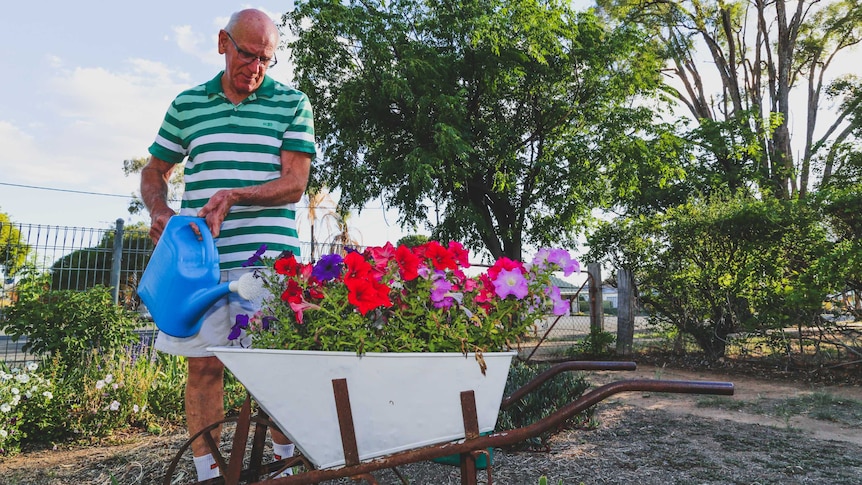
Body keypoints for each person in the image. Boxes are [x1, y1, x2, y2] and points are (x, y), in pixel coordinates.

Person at [140, 8, 315, 481]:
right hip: (202, 264)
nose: (256, 68)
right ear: (223, 43)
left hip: (271, 266)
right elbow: (153, 171)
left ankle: (285, 466)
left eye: (265, 59)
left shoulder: (293, 102)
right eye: (247, 54)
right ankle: (210, 472)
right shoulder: (187, 104)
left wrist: (235, 195)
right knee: (203, 368)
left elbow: (295, 183)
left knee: (275, 372)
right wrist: (159, 210)